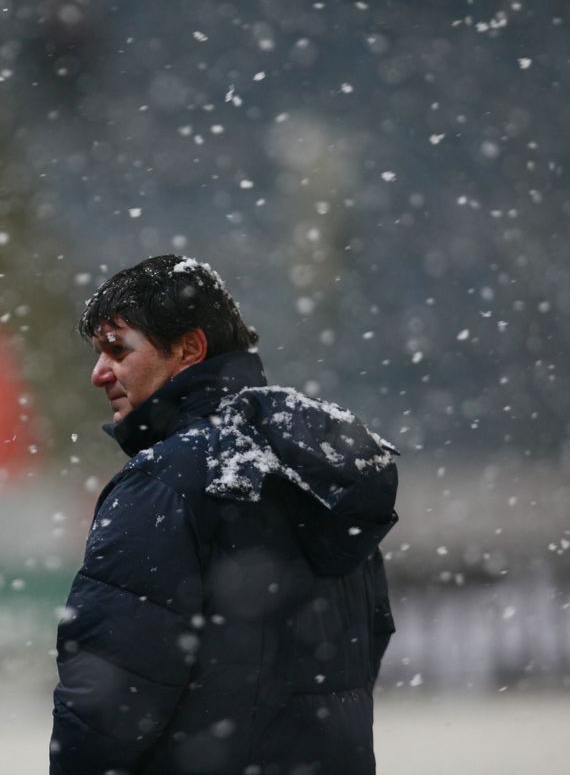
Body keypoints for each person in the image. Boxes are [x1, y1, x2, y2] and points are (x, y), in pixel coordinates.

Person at [50, 255, 400, 775]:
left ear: (190, 348)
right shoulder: (318, 473)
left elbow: (109, 699)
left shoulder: (166, 481)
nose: (99, 372)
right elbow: (361, 652)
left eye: (117, 349)